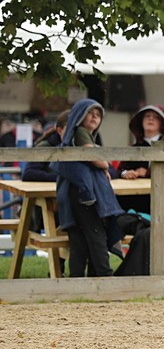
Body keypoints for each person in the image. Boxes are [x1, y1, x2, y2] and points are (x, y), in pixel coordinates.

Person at [54, 99, 124, 277]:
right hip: (84, 194)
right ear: (79, 116)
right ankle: (105, 276)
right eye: (90, 113)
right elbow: (94, 158)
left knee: (79, 240)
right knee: (96, 234)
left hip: (73, 192)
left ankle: (76, 279)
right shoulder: (81, 133)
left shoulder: (76, 135)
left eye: (98, 115)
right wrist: (105, 165)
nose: (94, 117)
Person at [116, 105, 164, 212]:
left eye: (156, 117)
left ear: (162, 124)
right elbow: (120, 170)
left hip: (163, 200)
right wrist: (126, 173)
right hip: (135, 200)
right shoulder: (134, 148)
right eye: (147, 116)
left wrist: (148, 172)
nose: (151, 119)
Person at [21, 110, 68, 182]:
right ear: (60, 131)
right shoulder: (46, 146)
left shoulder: (79, 145)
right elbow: (28, 173)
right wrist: (61, 179)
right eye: (70, 129)